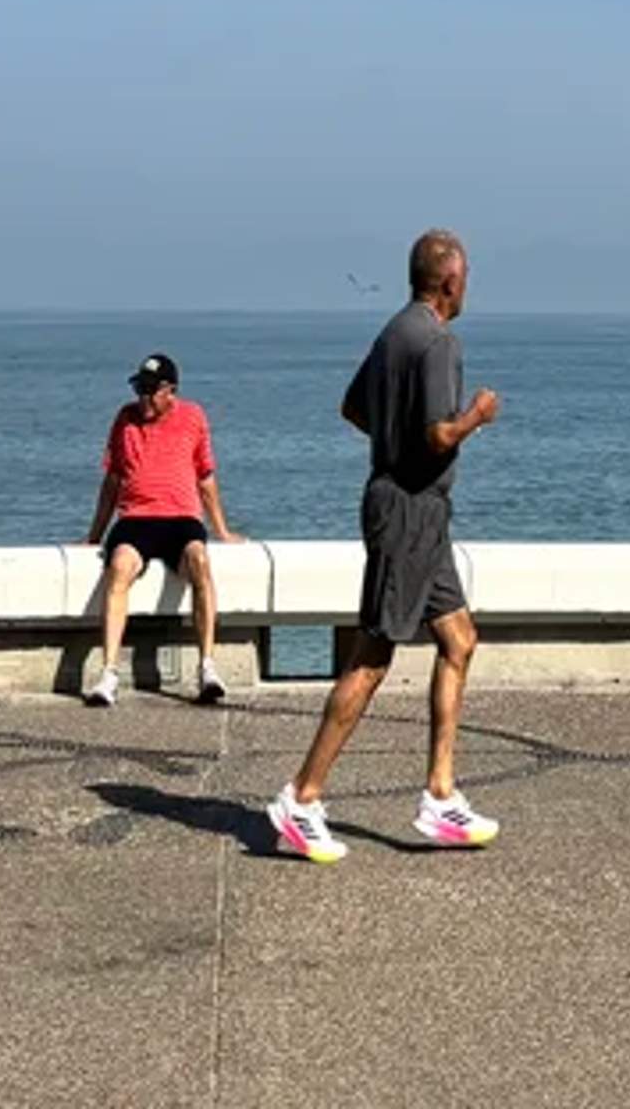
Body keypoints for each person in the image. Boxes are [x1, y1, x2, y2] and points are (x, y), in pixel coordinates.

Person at [266, 230, 502, 860]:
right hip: (407, 510)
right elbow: (436, 437)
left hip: (416, 511)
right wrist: (476, 416)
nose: (468, 283)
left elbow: (351, 408)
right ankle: (302, 797)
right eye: (466, 274)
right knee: (372, 659)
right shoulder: (439, 341)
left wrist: (392, 434)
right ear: (449, 281)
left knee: (459, 639)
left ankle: (441, 794)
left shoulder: (394, 331)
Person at [82, 350, 241, 707]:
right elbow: (112, 480)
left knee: (199, 562)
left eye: (151, 391)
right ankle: (109, 673)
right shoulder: (125, 420)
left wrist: (222, 530)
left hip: (181, 520)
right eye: (140, 389)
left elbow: (205, 476)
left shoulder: (193, 416)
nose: (144, 398)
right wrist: (94, 534)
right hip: (136, 520)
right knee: (120, 567)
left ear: (170, 390)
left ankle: (207, 667)